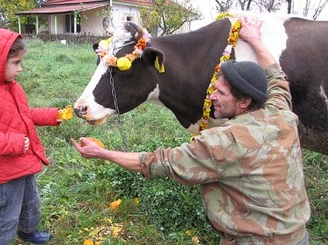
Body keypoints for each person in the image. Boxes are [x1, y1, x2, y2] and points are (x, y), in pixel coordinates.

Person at [71, 16, 311, 244]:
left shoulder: (226, 140)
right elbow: (277, 77)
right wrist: (256, 39)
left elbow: (158, 163)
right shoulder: (280, 111)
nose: (212, 96)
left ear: (244, 102)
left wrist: (102, 153)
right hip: (298, 237)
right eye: (213, 88)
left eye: (220, 93)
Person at [0, 28, 71, 244]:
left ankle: (28, 231)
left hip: (23, 159)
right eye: (16, 63)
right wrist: (14, 142)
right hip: (6, 165)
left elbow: (24, 115)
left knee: (31, 201)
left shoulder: (12, 87)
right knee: (5, 212)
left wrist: (53, 115)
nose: (20, 69)